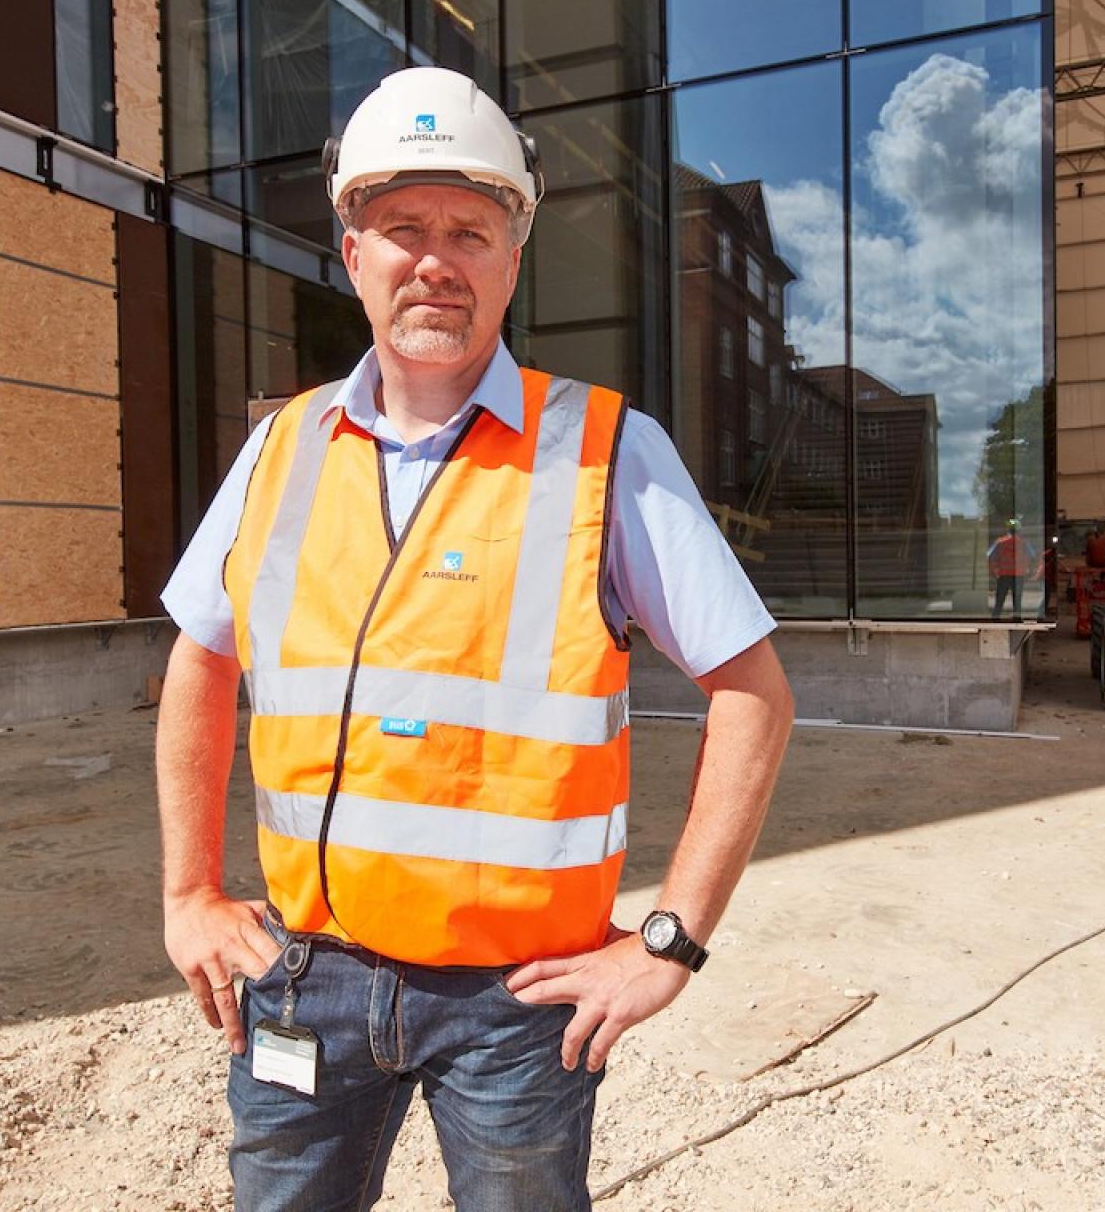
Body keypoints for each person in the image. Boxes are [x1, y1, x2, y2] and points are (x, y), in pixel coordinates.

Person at [153, 66, 794, 1212]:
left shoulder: (607, 449)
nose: (436, 258)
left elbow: (755, 692)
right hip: (306, 970)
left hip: (518, 1002)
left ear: (512, 256)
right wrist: (189, 888)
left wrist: (669, 937)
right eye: (403, 228)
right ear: (353, 252)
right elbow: (202, 656)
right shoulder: (282, 448)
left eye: (471, 229)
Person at [987, 517, 1035, 619]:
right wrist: (1029, 571)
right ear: (1018, 529)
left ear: (1007, 529)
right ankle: (1017, 619)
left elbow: (990, 555)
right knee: (1017, 600)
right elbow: (1032, 556)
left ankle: (995, 618)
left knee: (999, 600)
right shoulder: (1023, 542)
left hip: (1003, 574)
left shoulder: (1000, 542)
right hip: (1018, 575)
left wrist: (992, 571)